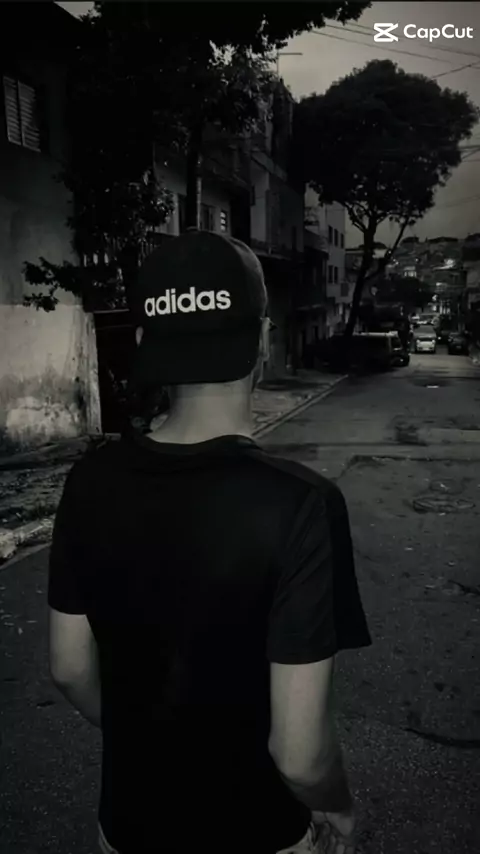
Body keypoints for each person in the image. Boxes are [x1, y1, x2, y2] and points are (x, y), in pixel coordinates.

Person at [48, 230, 371, 854]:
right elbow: (299, 754)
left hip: (130, 826)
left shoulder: (90, 481)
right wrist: (337, 805)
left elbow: (68, 667)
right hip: (256, 832)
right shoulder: (301, 505)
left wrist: (150, 742)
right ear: (262, 341)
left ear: (143, 342)